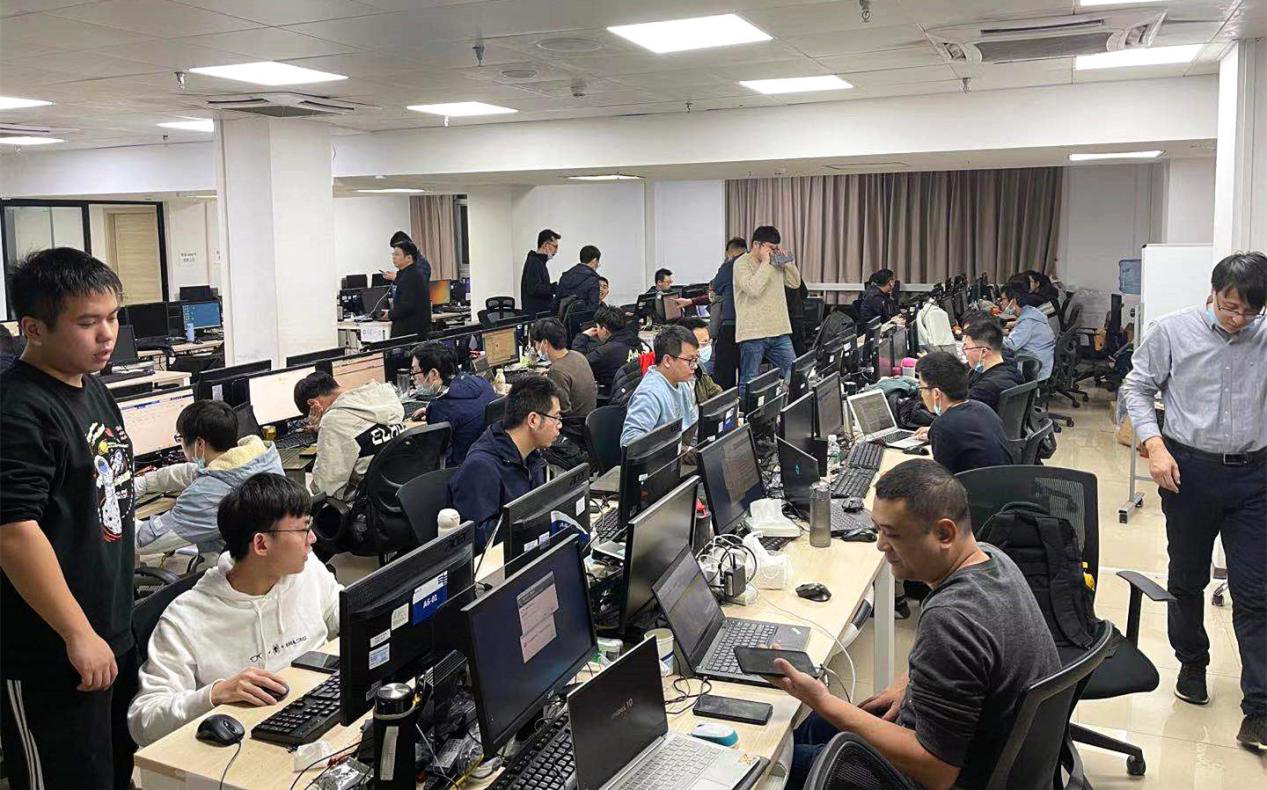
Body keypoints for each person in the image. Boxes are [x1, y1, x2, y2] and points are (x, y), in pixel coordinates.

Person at [770, 460, 1061, 790]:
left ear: (944, 534)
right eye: (878, 529)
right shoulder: (994, 559)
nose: (881, 545)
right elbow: (973, 661)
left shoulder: (950, 620)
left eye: (892, 534)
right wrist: (911, 680)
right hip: (991, 756)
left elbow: (937, 772)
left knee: (775, 769)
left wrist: (822, 699)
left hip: (942, 776)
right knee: (814, 728)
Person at [1, 248, 138, 789]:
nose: (107, 335)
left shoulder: (92, 387)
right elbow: (13, 532)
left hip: (110, 631)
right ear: (33, 328)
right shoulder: (17, 410)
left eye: (113, 317)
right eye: (87, 323)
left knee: (113, 775)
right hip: (50, 652)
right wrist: (77, 634)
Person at [1120, 251, 1267, 750]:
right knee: (1188, 577)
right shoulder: (1172, 331)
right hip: (1189, 471)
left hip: (1255, 476)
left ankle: (1260, 707)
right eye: (1229, 307)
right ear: (1214, 292)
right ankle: (1192, 663)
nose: (1237, 319)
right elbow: (1137, 387)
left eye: (1249, 312)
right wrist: (1154, 444)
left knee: (1256, 591)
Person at [128, 473, 341, 746]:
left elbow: (345, 615)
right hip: (246, 747)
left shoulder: (307, 570)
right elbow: (143, 720)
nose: (312, 538)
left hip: (315, 718)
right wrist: (213, 694)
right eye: (302, 530)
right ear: (261, 544)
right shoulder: (186, 617)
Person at [135, 399, 284, 555]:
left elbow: (140, 542)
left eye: (180, 438)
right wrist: (144, 483)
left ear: (199, 444)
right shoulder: (261, 459)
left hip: (231, 567)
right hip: (270, 560)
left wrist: (119, 507)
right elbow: (197, 472)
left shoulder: (205, 495)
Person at [447, 377, 560, 549]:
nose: (559, 425)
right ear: (533, 420)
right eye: (556, 417)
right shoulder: (481, 468)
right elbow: (480, 541)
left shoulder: (532, 456)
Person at [294, 371, 405, 503]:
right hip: (406, 490)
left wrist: (322, 429)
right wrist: (320, 432)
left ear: (313, 404)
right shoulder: (383, 394)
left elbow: (325, 489)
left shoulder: (334, 420)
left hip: (372, 503)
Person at [913, 352, 1012, 474]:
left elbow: (944, 479)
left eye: (922, 388)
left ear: (936, 393)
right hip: (1004, 481)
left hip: (974, 486)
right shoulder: (982, 408)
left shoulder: (943, 426)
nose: (921, 394)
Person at [733, 225, 801, 397]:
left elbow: (795, 283)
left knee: (795, 371)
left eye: (776, 248)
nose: (774, 251)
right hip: (752, 333)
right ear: (756, 244)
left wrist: (788, 264)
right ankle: (747, 412)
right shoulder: (741, 264)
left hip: (779, 330)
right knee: (750, 381)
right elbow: (753, 289)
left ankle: (784, 403)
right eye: (771, 248)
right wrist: (766, 263)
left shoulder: (774, 262)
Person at [409, 341, 496, 465]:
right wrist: (429, 411)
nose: (413, 378)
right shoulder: (483, 383)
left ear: (433, 374)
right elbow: (464, 409)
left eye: (415, 372)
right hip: (489, 462)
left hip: (460, 470)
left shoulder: (441, 409)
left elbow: (434, 461)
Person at [620, 325, 700, 446]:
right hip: (662, 457)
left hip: (678, 453)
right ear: (667, 361)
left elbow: (692, 426)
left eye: (696, 359)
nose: (695, 366)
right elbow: (630, 442)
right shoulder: (649, 394)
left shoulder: (682, 382)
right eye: (690, 360)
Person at [531, 317, 597, 437]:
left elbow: (562, 411)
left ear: (545, 343)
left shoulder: (557, 371)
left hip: (572, 430)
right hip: (589, 423)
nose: (535, 348)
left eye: (536, 343)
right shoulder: (578, 356)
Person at [961, 318, 1025, 413]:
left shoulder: (985, 388)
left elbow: (956, 411)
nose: (964, 352)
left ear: (983, 352)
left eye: (966, 348)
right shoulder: (1011, 370)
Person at [709, 237, 747, 390]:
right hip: (751, 328)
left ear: (730, 252)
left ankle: (726, 402)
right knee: (748, 374)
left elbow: (716, 287)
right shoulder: (754, 265)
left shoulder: (729, 267)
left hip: (731, 325)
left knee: (723, 373)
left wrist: (726, 263)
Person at [572, 305, 640, 391]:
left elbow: (579, 362)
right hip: (632, 390)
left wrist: (583, 337)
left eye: (597, 327)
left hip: (611, 394)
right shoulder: (638, 342)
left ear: (604, 330)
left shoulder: (607, 351)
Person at [1000, 276, 1055, 381]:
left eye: (1003, 299)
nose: (1000, 302)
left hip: (1034, 366)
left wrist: (991, 337)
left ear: (1013, 301)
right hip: (1039, 359)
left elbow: (1010, 345)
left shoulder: (1027, 321)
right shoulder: (1030, 311)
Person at [382, 239, 432, 339]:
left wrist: (389, 314)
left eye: (397, 254)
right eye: (393, 254)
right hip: (413, 329)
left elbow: (407, 305)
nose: (393, 257)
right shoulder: (409, 273)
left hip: (409, 331)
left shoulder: (411, 277)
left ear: (409, 258)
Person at [673, 317, 724, 404]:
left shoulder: (699, 370)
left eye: (709, 342)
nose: (707, 347)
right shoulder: (672, 381)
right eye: (703, 344)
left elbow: (717, 394)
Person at [521, 229, 559, 317]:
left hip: (540, 314)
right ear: (545, 245)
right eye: (555, 246)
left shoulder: (539, 262)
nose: (556, 251)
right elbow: (534, 288)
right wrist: (554, 288)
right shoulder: (534, 262)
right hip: (536, 316)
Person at [554, 245, 602, 313]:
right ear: (594, 260)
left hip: (560, 318)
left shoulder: (565, 276)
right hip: (582, 319)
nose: (598, 264)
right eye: (598, 261)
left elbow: (556, 303)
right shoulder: (593, 280)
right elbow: (592, 309)